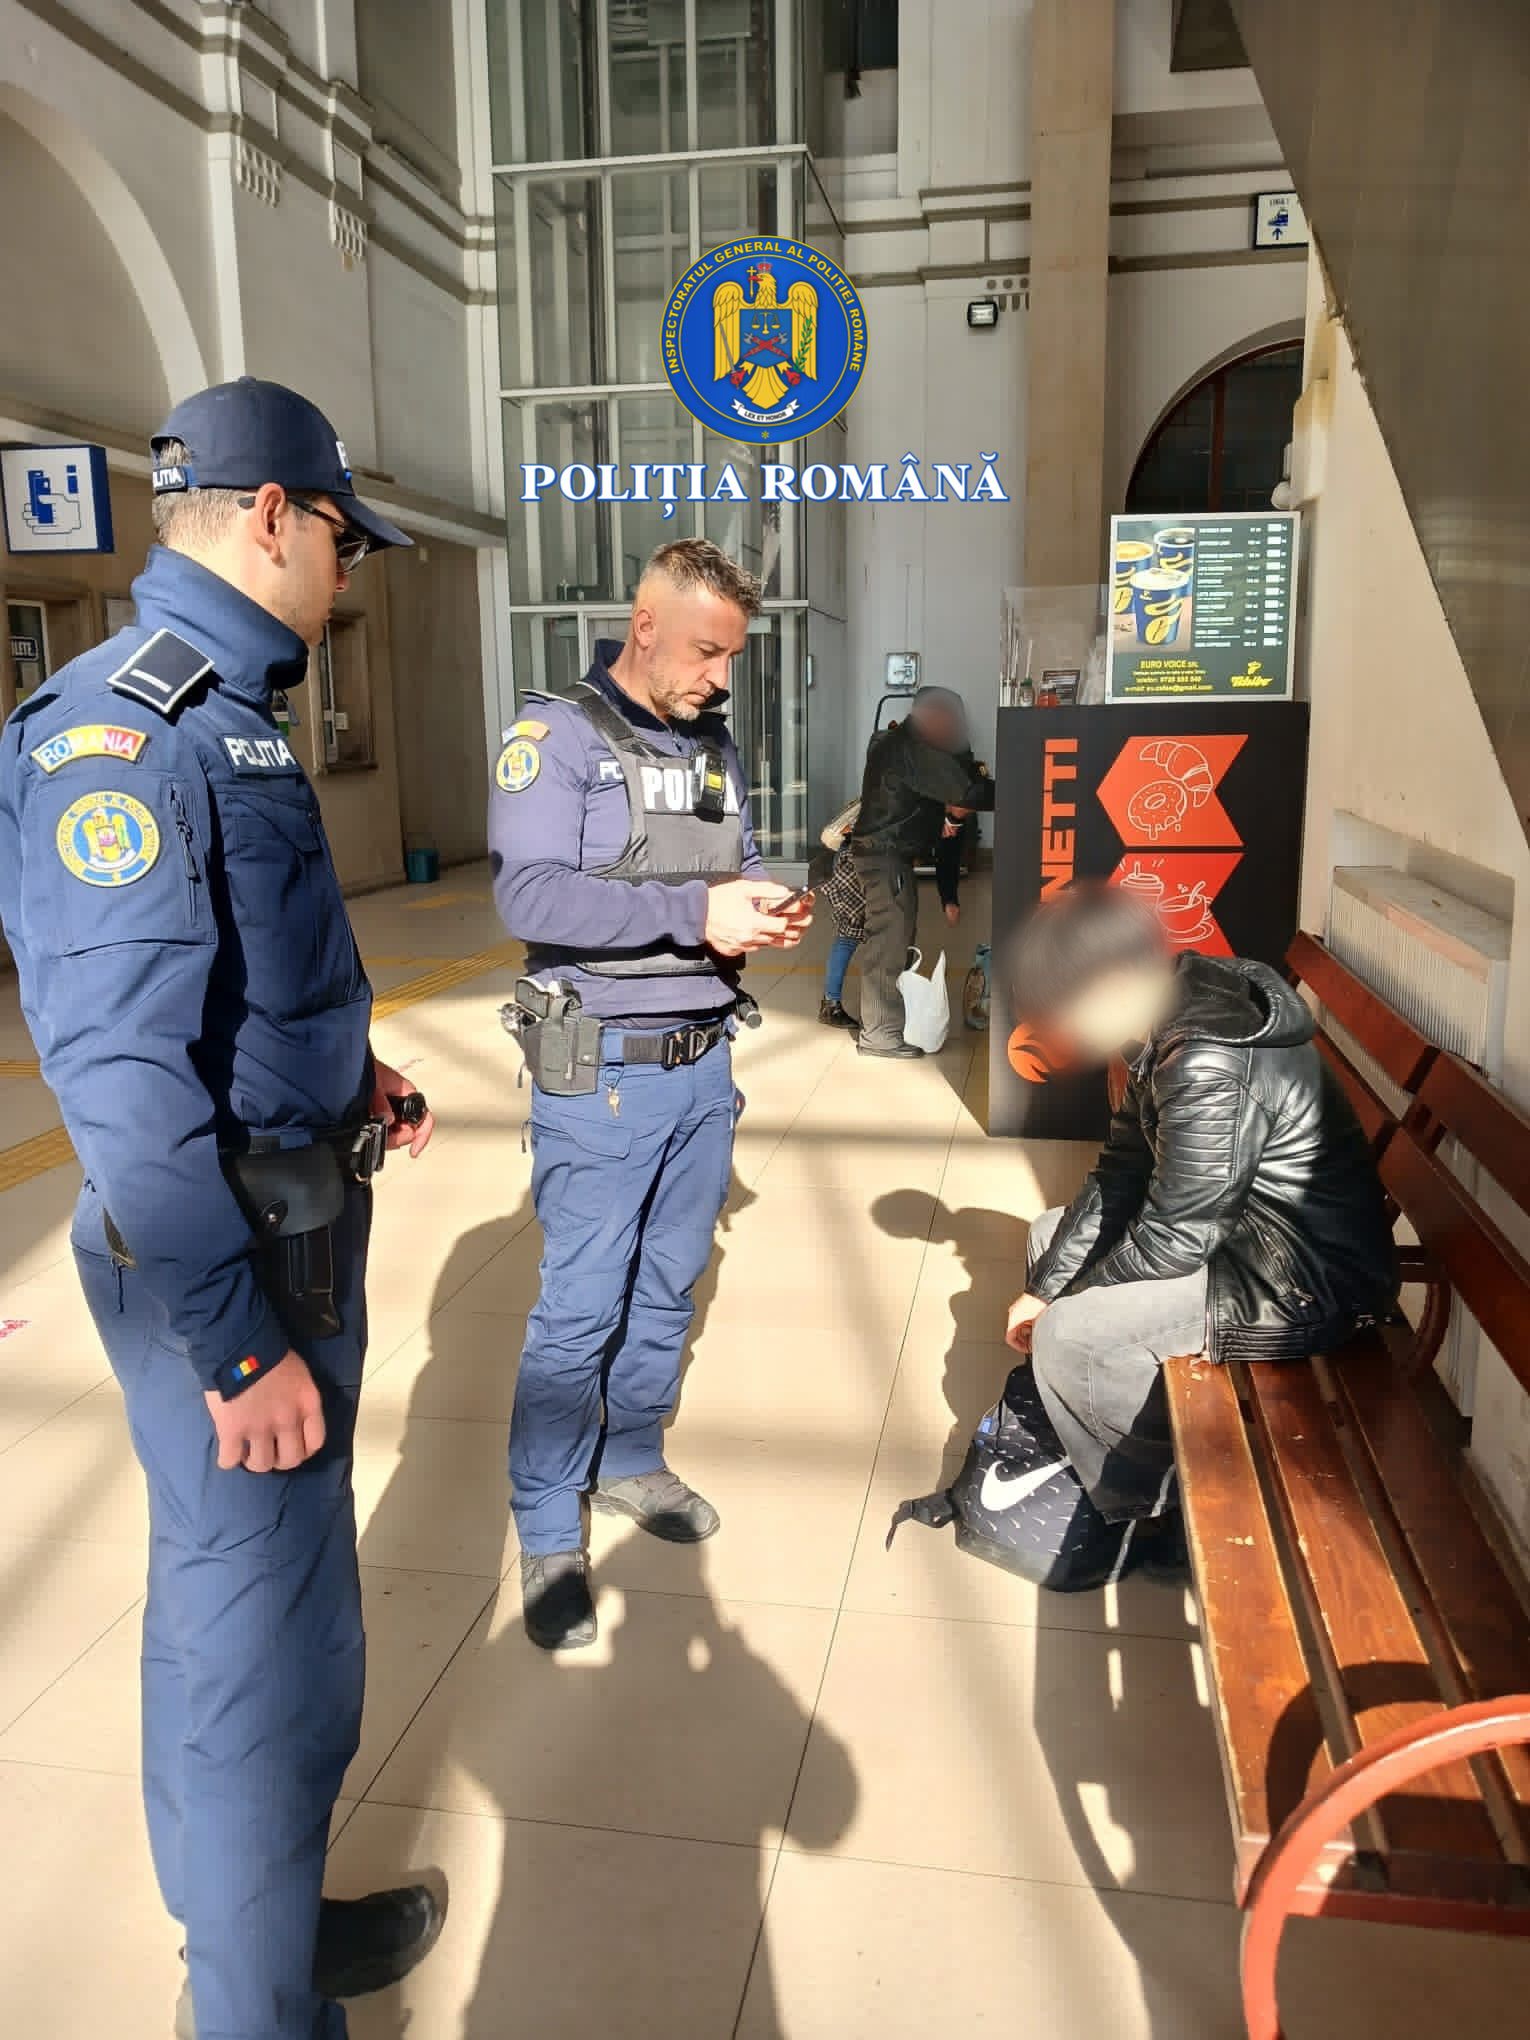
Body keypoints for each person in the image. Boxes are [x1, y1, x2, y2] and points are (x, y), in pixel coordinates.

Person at [0, 377, 446, 2039]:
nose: (346, 569)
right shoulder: (123, 732)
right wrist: (237, 1344)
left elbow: (235, 983)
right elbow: (123, 1086)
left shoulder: (230, 706)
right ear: (271, 516)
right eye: (341, 537)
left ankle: (258, 1937)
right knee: (262, 1654)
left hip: (276, 1215)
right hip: (229, 1260)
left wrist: (346, 1075)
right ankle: (256, 2010)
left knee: (242, 1616)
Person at [490, 538, 808, 1650]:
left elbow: (736, 859)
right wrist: (694, 912)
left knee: (669, 1285)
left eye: (732, 657)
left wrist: (757, 901)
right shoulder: (558, 738)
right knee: (580, 1308)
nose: (720, 677)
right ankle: (547, 1527)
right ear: (644, 626)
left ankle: (629, 1457)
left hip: (703, 1065)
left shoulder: (710, 741)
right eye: (706, 652)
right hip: (604, 1077)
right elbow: (530, 896)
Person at [1000, 883, 1399, 1583]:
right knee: (1047, 1240)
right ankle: (1114, 1440)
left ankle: (1158, 1509)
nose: (1061, 1029)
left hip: (1301, 1280)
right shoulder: (1172, 1017)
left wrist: (1067, 1303)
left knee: (1074, 1334)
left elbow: (1179, 1237)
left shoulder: (1208, 1058)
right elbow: (1122, 1171)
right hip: (1242, 1237)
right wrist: (1045, 1287)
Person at [846, 687, 995, 1056]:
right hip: (884, 855)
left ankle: (885, 1024)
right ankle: (879, 1035)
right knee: (888, 943)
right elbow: (966, 792)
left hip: (887, 855)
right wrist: (1024, 789)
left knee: (896, 939)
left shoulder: (902, 743)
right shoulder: (910, 748)